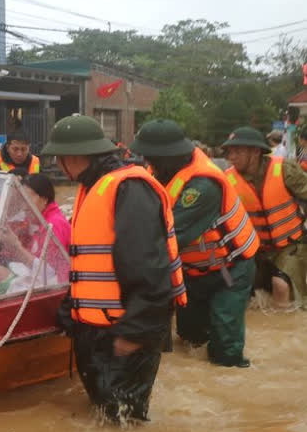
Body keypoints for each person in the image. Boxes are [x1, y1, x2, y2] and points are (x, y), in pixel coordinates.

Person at [41, 115, 187, 423]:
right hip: (99, 329)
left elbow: (148, 268)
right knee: (107, 415)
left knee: (124, 425)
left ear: (76, 156)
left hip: (127, 329)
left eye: (59, 157)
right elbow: (93, 264)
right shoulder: (92, 187)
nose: (57, 164)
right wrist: (71, 310)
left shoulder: (129, 189)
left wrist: (134, 332)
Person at [131, 120, 259, 368]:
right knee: (191, 339)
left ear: (169, 155)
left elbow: (167, 238)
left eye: (151, 157)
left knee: (225, 352)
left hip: (229, 269)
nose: (148, 162)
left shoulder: (202, 185)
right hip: (192, 272)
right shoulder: (157, 172)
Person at [221, 126, 307, 311]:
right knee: (239, 291)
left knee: (280, 286)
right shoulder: (227, 180)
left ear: (256, 151)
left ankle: (284, 335)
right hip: (255, 250)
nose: (231, 156)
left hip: (290, 245)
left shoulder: (285, 169)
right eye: (229, 151)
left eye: (238, 151)